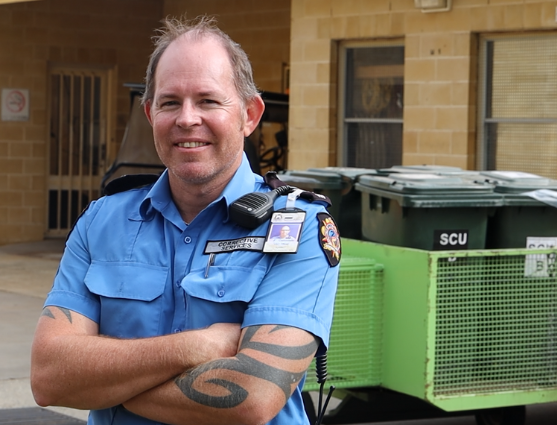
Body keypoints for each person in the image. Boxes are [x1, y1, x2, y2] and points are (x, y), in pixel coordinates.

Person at [30, 16, 340, 425]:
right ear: (150, 113)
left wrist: (103, 382)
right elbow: (50, 378)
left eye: (208, 100)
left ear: (250, 114)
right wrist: (196, 346)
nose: (187, 119)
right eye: (170, 102)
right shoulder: (102, 220)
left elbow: (252, 397)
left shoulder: (295, 227)